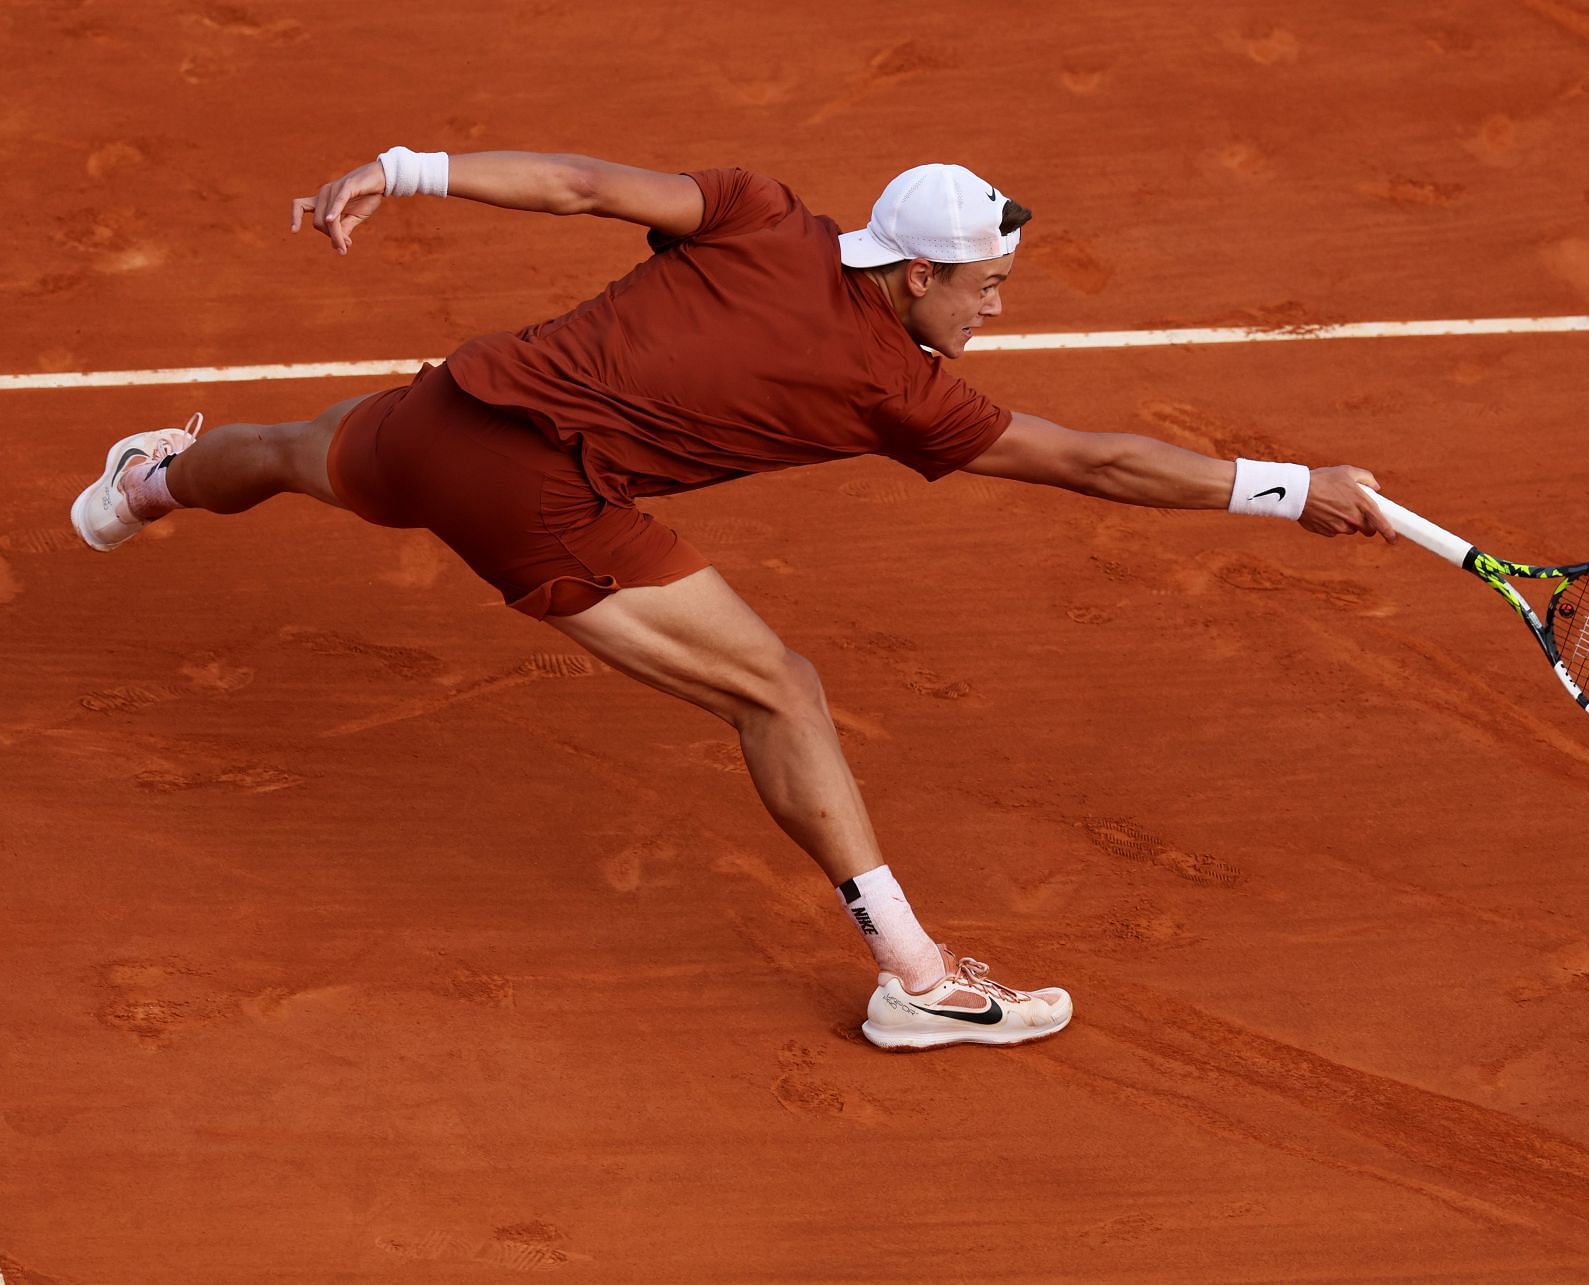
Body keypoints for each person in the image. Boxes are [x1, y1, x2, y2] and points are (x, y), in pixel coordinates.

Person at [71, 147, 1394, 1051]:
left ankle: (141, 488)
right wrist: (1284, 489)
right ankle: (917, 982)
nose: (996, 305)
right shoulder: (903, 387)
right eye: (985, 285)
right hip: (541, 501)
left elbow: (584, 184)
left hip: (456, 406)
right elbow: (1095, 460)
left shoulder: (763, 211)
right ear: (916, 276)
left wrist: (407, 168)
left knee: (305, 452)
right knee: (778, 688)